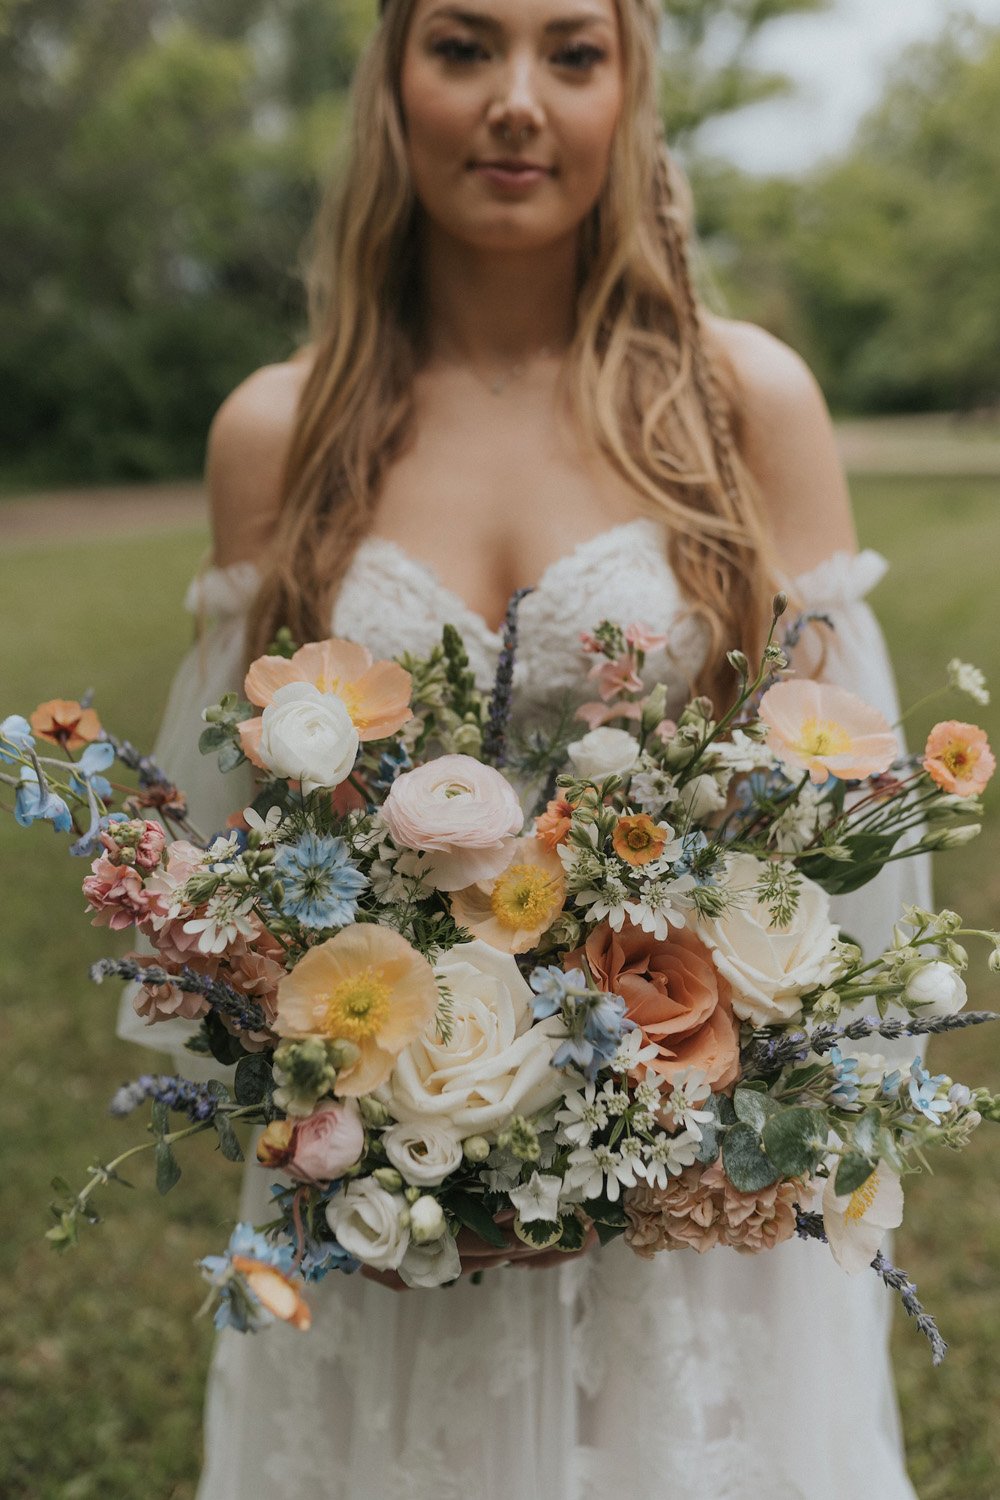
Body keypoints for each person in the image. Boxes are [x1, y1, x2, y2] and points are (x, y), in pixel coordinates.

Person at [116, 1, 931, 1494]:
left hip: (684, 1176)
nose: (514, 101)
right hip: (385, 1193)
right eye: (462, 47)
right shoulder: (278, 430)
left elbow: (837, 829)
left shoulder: (739, 400)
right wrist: (364, 1081)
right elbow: (225, 868)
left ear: (628, 95)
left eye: (570, 53)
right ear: (391, 83)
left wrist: (688, 1082)